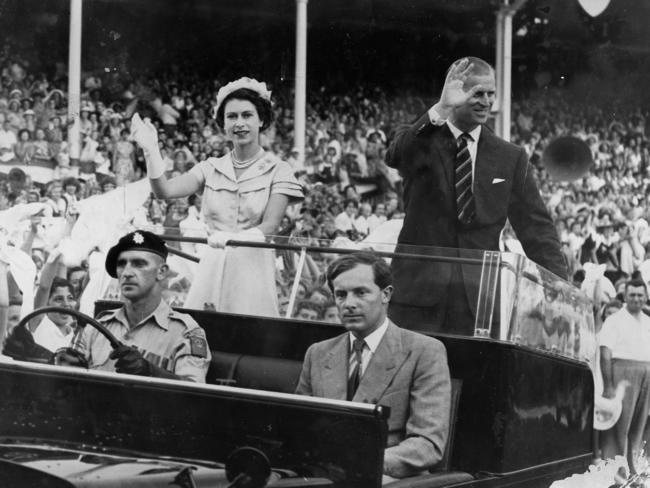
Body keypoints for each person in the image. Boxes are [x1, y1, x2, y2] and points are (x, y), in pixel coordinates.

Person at [385, 57, 566, 334]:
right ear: (455, 93)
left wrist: (559, 286)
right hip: (416, 297)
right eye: (477, 93)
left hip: (478, 302)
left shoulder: (510, 157)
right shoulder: (423, 136)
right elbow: (397, 157)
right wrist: (442, 108)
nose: (486, 101)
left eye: (491, 93)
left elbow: (536, 228)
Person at [130, 77, 303, 316]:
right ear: (223, 123)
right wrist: (151, 151)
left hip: (254, 270)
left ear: (261, 120)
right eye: (232, 116)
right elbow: (164, 191)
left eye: (247, 115)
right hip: (213, 265)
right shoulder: (210, 167)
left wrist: (233, 239)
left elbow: (270, 225)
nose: (239, 123)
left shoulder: (278, 169)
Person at [295, 252, 451, 482]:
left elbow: (427, 444)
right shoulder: (317, 353)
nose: (349, 304)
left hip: (386, 477)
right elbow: (298, 427)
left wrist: (360, 463)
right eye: (341, 295)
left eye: (361, 292)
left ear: (386, 294)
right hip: (321, 476)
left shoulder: (424, 351)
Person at [4, 231, 211, 383]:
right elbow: (69, 377)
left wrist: (149, 371)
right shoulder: (96, 326)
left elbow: (194, 394)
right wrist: (35, 354)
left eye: (139, 264)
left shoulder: (185, 332)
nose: (127, 272)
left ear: (162, 272)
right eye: (122, 264)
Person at [599, 279, 650, 466]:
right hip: (623, 374)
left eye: (640, 295)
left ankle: (632, 470)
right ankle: (614, 472)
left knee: (639, 426)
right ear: (625, 297)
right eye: (632, 295)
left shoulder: (647, 321)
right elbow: (605, 354)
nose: (636, 299)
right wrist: (609, 386)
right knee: (620, 426)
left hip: (646, 374)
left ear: (646, 297)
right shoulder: (614, 320)